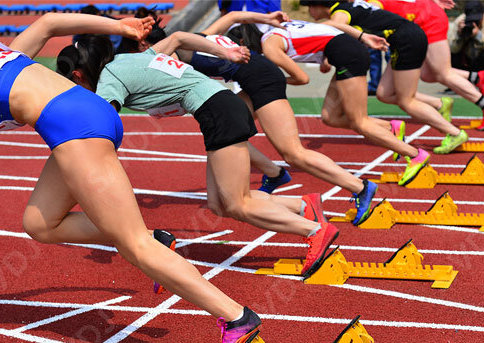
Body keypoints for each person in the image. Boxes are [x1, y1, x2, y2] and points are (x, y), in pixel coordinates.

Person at [0, 12, 261, 343]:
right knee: (40, 223)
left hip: (76, 126)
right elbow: (47, 23)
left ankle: (237, 318)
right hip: (84, 115)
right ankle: (153, 237)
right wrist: (120, 26)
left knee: (133, 246)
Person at [57, 23, 340, 282]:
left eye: (73, 84)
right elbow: (179, 37)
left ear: (79, 74)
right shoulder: (126, 60)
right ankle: (303, 206)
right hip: (219, 108)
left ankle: (314, 231)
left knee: (238, 204)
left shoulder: (108, 79)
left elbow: (100, 123)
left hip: (218, 111)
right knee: (220, 204)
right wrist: (225, 52)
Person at [161, 11, 381, 221]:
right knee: (224, 136)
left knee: (293, 153)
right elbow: (234, 16)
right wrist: (266, 18)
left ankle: (360, 187)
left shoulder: (169, 55)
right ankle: (274, 173)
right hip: (254, 78)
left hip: (260, 79)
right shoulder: (199, 36)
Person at [260, 19, 431, 185]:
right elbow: (329, 25)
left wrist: (278, 80)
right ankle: (389, 128)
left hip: (348, 56)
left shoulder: (268, 44)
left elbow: (302, 78)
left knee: (360, 122)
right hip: (346, 52)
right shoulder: (284, 26)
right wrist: (362, 36)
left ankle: (415, 155)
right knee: (330, 117)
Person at [302, 0, 470, 161]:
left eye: (309, 6)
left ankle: (454, 133)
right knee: (385, 93)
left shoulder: (340, 10)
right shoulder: (350, 6)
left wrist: (311, 34)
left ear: (318, 4)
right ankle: (402, 123)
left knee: (407, 100)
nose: (309, 12)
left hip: (407, 39)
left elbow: (334, 25)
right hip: (404, 39)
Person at [369, 0, 484, 134]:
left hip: (427, 19)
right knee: (388, 92)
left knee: (443, 73)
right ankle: (449, 97)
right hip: (410, 29)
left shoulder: (367, 4)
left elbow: (372, 14)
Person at [451, 0, 484, 93]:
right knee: (449, 56)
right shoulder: (460, 21)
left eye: (477, 19)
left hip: (482, 61)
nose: (474, 22)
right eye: (471, 19)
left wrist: (478, 35)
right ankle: (458, 84)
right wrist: (460, 35)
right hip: (466, 62)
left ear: (483, 14)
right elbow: (453, 50)